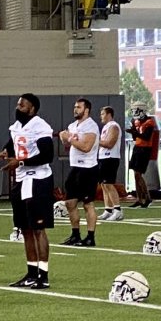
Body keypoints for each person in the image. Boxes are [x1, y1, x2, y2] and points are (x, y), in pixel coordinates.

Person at [0, 93, 55, 289]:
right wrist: (6, 151)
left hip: (38, 179)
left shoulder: (40, 126)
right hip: (22, 180)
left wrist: (20, 161)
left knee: (38, 229)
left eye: (22, 105)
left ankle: (44, 275)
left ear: (32, 108)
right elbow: (14, 142)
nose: (18, 107)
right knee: (25, 229)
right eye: (18, 104)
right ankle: (31, 273)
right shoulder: (17, 126)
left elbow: (48, 155)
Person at [59, 98, 100, 247]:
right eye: (75, 107)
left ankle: (90, 236)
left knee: (88, 204)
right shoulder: (72, 125)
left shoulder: (91, 126)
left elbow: (86, 147)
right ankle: (75, 234)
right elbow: (67, 145)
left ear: (86, 110)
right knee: (70, 203)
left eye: (78, 107)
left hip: (88, 168)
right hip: (75, 167)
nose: (75, 109)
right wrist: (64, 138)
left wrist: (69, 138)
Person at [97, 106, 123, 222]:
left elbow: (110, 143)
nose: (101, 116)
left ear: (108, 114)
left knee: (109, 184)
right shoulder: (105, 127)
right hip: (103, 157)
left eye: (102, 114)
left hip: (111, 158)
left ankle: (117, 210)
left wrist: (94, 140)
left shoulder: (114, 126)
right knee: (103, 184)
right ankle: (108, 209)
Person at [127, 104, 157, 208]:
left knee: (138, 174)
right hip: (137, 147)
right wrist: (133, 131)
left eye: (137, 110)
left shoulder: (149, 122)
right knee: (136, 175)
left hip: (144, 149)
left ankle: (147, 197)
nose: (135, 113)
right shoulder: (138, 122)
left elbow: (146, 137)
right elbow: (136, 138)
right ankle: (139, 199)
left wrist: (135, 131)